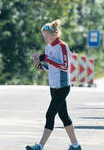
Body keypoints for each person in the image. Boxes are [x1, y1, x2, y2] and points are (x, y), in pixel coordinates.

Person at [26, 19, 82, 150]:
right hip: (53, 87)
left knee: (49, 114)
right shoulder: (48, 47)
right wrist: (41, 66)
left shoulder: (62, 46)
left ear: (54, 34)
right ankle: (76, 145)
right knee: (64, 117)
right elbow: (51, 68)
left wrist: (45, 58)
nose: (45, 39)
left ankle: (39, 146)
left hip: (63, 87)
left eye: (46, 36)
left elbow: (64, 66)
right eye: (43, 37)